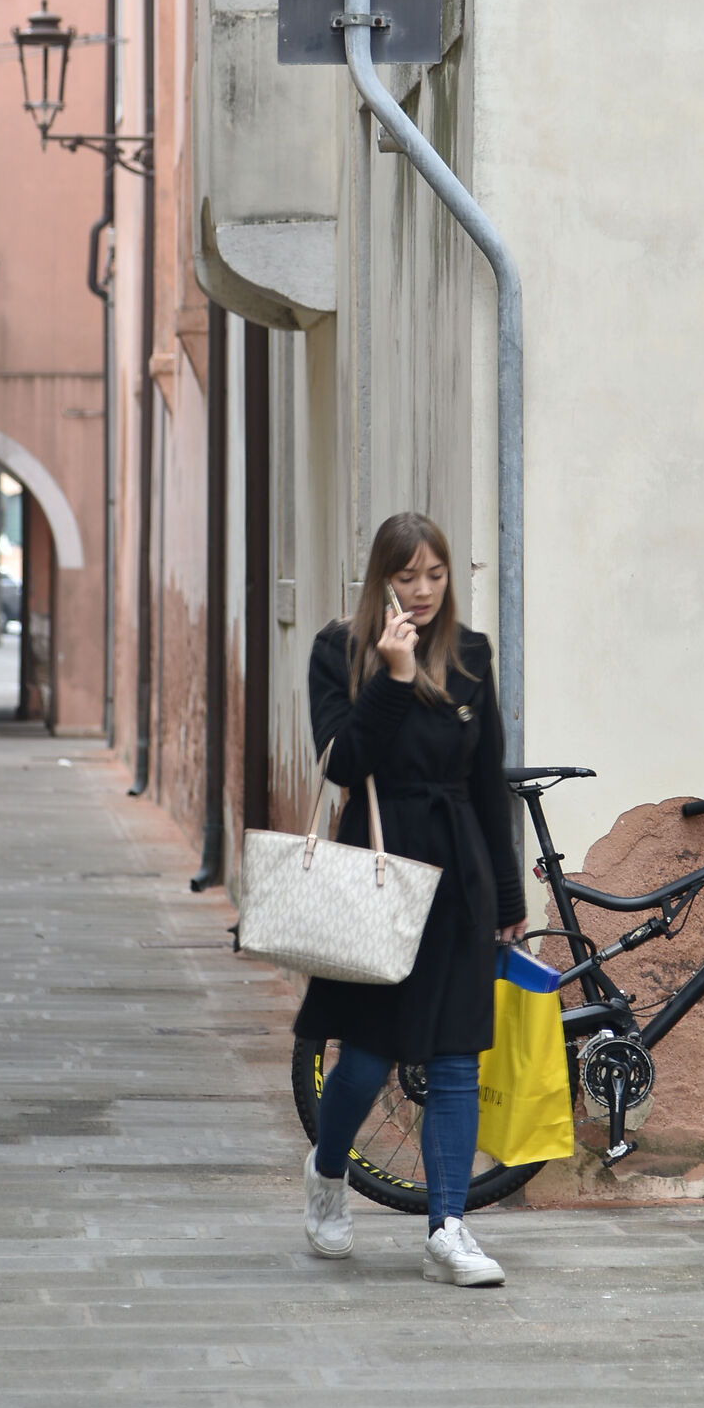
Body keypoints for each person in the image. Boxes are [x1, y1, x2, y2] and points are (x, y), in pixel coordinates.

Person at [297, 511, 527, 1287]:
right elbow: (342, 759)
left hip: (457, 871)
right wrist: (393, 680)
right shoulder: (340, 651)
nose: (423, 592)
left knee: (457, 1055)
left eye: (435, 575)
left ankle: (449, 1228)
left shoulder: (469, 655)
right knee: (365, 1054)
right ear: (380, 579)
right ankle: (329, 1173)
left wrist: (505, 890)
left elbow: (488, 775)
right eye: (406, 577)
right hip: (378, 867)